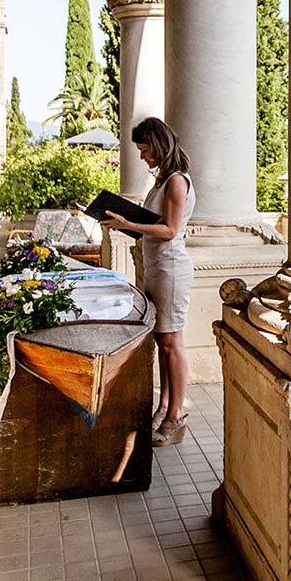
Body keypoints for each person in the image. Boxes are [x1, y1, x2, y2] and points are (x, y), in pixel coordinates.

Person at [99, 116, 195, 446]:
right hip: (156, 267)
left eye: (144, 149)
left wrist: (130, 223)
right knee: (161, 343)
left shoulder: (176, 182)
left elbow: (169, 230)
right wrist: (127, 223)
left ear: (157, 144)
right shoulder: (162, 182)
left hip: (171, 270)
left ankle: (176, 416)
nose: (142, 156)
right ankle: (164, 405)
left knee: (172, 345)